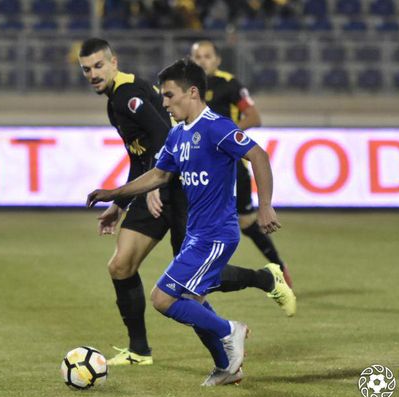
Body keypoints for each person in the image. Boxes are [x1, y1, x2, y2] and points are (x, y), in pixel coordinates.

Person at [78, 38, 295, 368]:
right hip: (170, 199)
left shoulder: (134, 97)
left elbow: (165, 135)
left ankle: (242, 315)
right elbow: (149, 164)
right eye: (86, 69)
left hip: (190, 207)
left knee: (182, 291)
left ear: (114, 62)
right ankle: (152, 351)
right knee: (137, 272)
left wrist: (265, 205)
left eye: (98, 66)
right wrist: (117, 198)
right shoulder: (142, 115)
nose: (93, 74)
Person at [190, 40, 293, 288]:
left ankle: (278, 267)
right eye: (198, 57)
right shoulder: (188, 87)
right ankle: (198, 275)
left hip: (230, 165)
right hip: (198, 166)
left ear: (217, 60)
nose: (203, 61)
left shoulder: (229, 84)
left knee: (247, 222)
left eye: (207, 56)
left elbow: (254, 117)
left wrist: (225, 135)